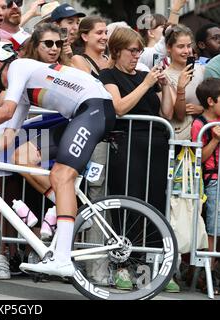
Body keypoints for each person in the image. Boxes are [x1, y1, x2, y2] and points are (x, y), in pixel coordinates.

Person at [0, 41, 116, 277]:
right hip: (80, 115)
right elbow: (6, 138)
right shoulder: (22, 93)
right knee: (22, 157)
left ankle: (62, 260)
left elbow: (4, 112)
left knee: (62, 175)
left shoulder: (19, 66)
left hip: (94, 110)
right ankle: (73, 211)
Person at [99, 27, 176, 291]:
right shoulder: (108, 74)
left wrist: (165, 87)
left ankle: (149, 267)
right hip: (128, 143)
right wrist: (145, 84)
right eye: (132, 51)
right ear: (117, 50)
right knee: (127, 200)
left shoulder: (146, 76)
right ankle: (121, 264)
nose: (136, 56)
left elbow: (166, 112)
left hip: (156, 144)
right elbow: (119, 107)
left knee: (153, 201)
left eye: (139, 51)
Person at [192, 77, 220, 294]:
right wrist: (214, 140)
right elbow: (199, 159)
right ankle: (208, 275)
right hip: (212, 180)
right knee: (213, 228)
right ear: (211, 101)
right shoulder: (199, 124)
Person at [164, 24, 205, 141]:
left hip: (204, 135)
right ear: (169, 47)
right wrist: (180, 87)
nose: (187, 51)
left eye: (189, 46)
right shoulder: (164, 76)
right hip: (181, 138)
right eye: (181, 46)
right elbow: (180, 115)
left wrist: (202, 109)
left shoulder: (201, 70)